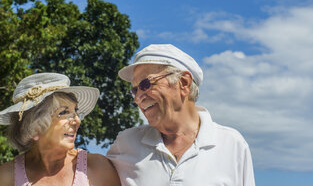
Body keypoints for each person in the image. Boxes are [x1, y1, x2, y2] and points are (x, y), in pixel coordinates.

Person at [107, 44, 255, 186]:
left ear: (184, 83)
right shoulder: (125, 143)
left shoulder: (231, 144)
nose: (137, 97)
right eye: (135, 90)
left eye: (145, 85)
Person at [0, 72, 120, 186]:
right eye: (64, 112)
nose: (77, 121)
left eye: (75, 111)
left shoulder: (97, 166)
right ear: (34, 124)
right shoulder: (7, 175)